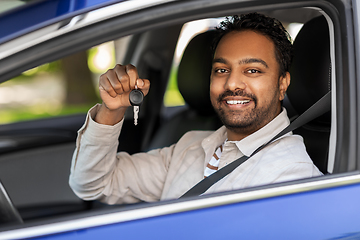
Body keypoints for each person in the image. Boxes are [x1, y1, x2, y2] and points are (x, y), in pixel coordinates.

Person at [69, 13, 322, 204]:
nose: (232, 82)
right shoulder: (191, 147)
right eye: (222, 70)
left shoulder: (291, 176)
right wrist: (111, 110)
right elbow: (92, 185)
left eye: (252, 70)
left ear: (282, 84)